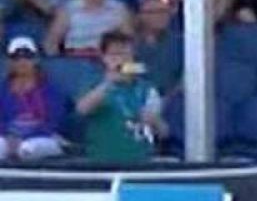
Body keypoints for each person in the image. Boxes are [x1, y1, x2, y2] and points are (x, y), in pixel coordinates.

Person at [75, 29, 166, 162]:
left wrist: (155, 121)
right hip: (103, 161)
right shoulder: (94, 83)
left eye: (126, 54)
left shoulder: (147, 88)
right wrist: (108, 83)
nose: (121, 59)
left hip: (141, 161)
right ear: (104, 57)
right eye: (115, 55)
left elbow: (163, 132)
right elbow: (82, 109)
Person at [0, 36, 66, 161]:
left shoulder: (51, 90)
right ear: (10, 61)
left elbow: (53, 122)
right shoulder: (2, 90)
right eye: (16, 57)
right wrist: (9, 137)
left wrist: (26, 137)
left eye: (27, 56)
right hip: (8, 137)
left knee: (27, 149)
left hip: (43, 137)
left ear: (36, 59)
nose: (22, 61)